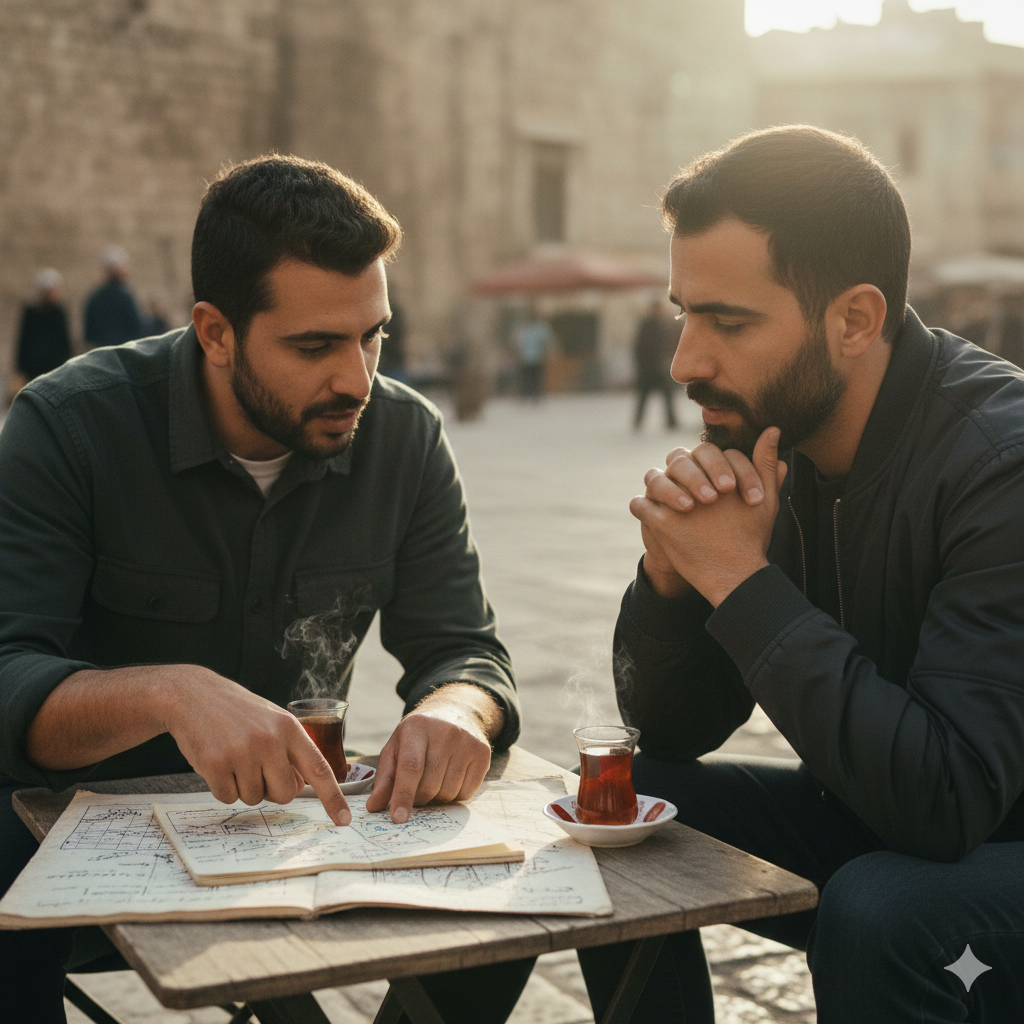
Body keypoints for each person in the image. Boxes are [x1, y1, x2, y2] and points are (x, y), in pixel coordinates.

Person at [0, 155, 530, 1023]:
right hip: (68, 835)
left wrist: (456, 711)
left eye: (374, 336)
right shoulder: (68, 427)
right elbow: (7, 673)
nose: (358, 378)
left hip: (296, 831)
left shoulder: (405, 435)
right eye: (316, 346)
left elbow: (465, 651)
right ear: (214, 332)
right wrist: (170, 694)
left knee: (528, 888)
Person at [582, 126, 1024, 1023]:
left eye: (729, 322)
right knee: (618, 817)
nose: (684, 363)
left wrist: (743, 584)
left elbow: (949, 800)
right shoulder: (776, 441)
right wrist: (675, 582)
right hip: (889, 810)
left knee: (877, 912)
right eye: (683, 313)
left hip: (983, 830)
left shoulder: (1000, 462)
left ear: (855, 320)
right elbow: (676, 729)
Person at [13, 268, 72, 387]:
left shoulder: (57, 311)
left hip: (51, 366)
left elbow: (64, 341)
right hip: (38, 367)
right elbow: (24, 340)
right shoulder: (34, 312)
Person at [83, 245, 147, 348]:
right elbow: (136, 326)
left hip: (102, 354)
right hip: (123, 352)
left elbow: (89, 335)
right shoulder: (124, 295)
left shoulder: (95, 297)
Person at [632, 297, 678, 430]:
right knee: (644, 397)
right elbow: (639, 347)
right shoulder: (649, 325)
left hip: (656, 368)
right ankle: (639, 422)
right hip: (650, 368)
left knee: (664, 396)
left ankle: (671, 421)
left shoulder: (663, 324)